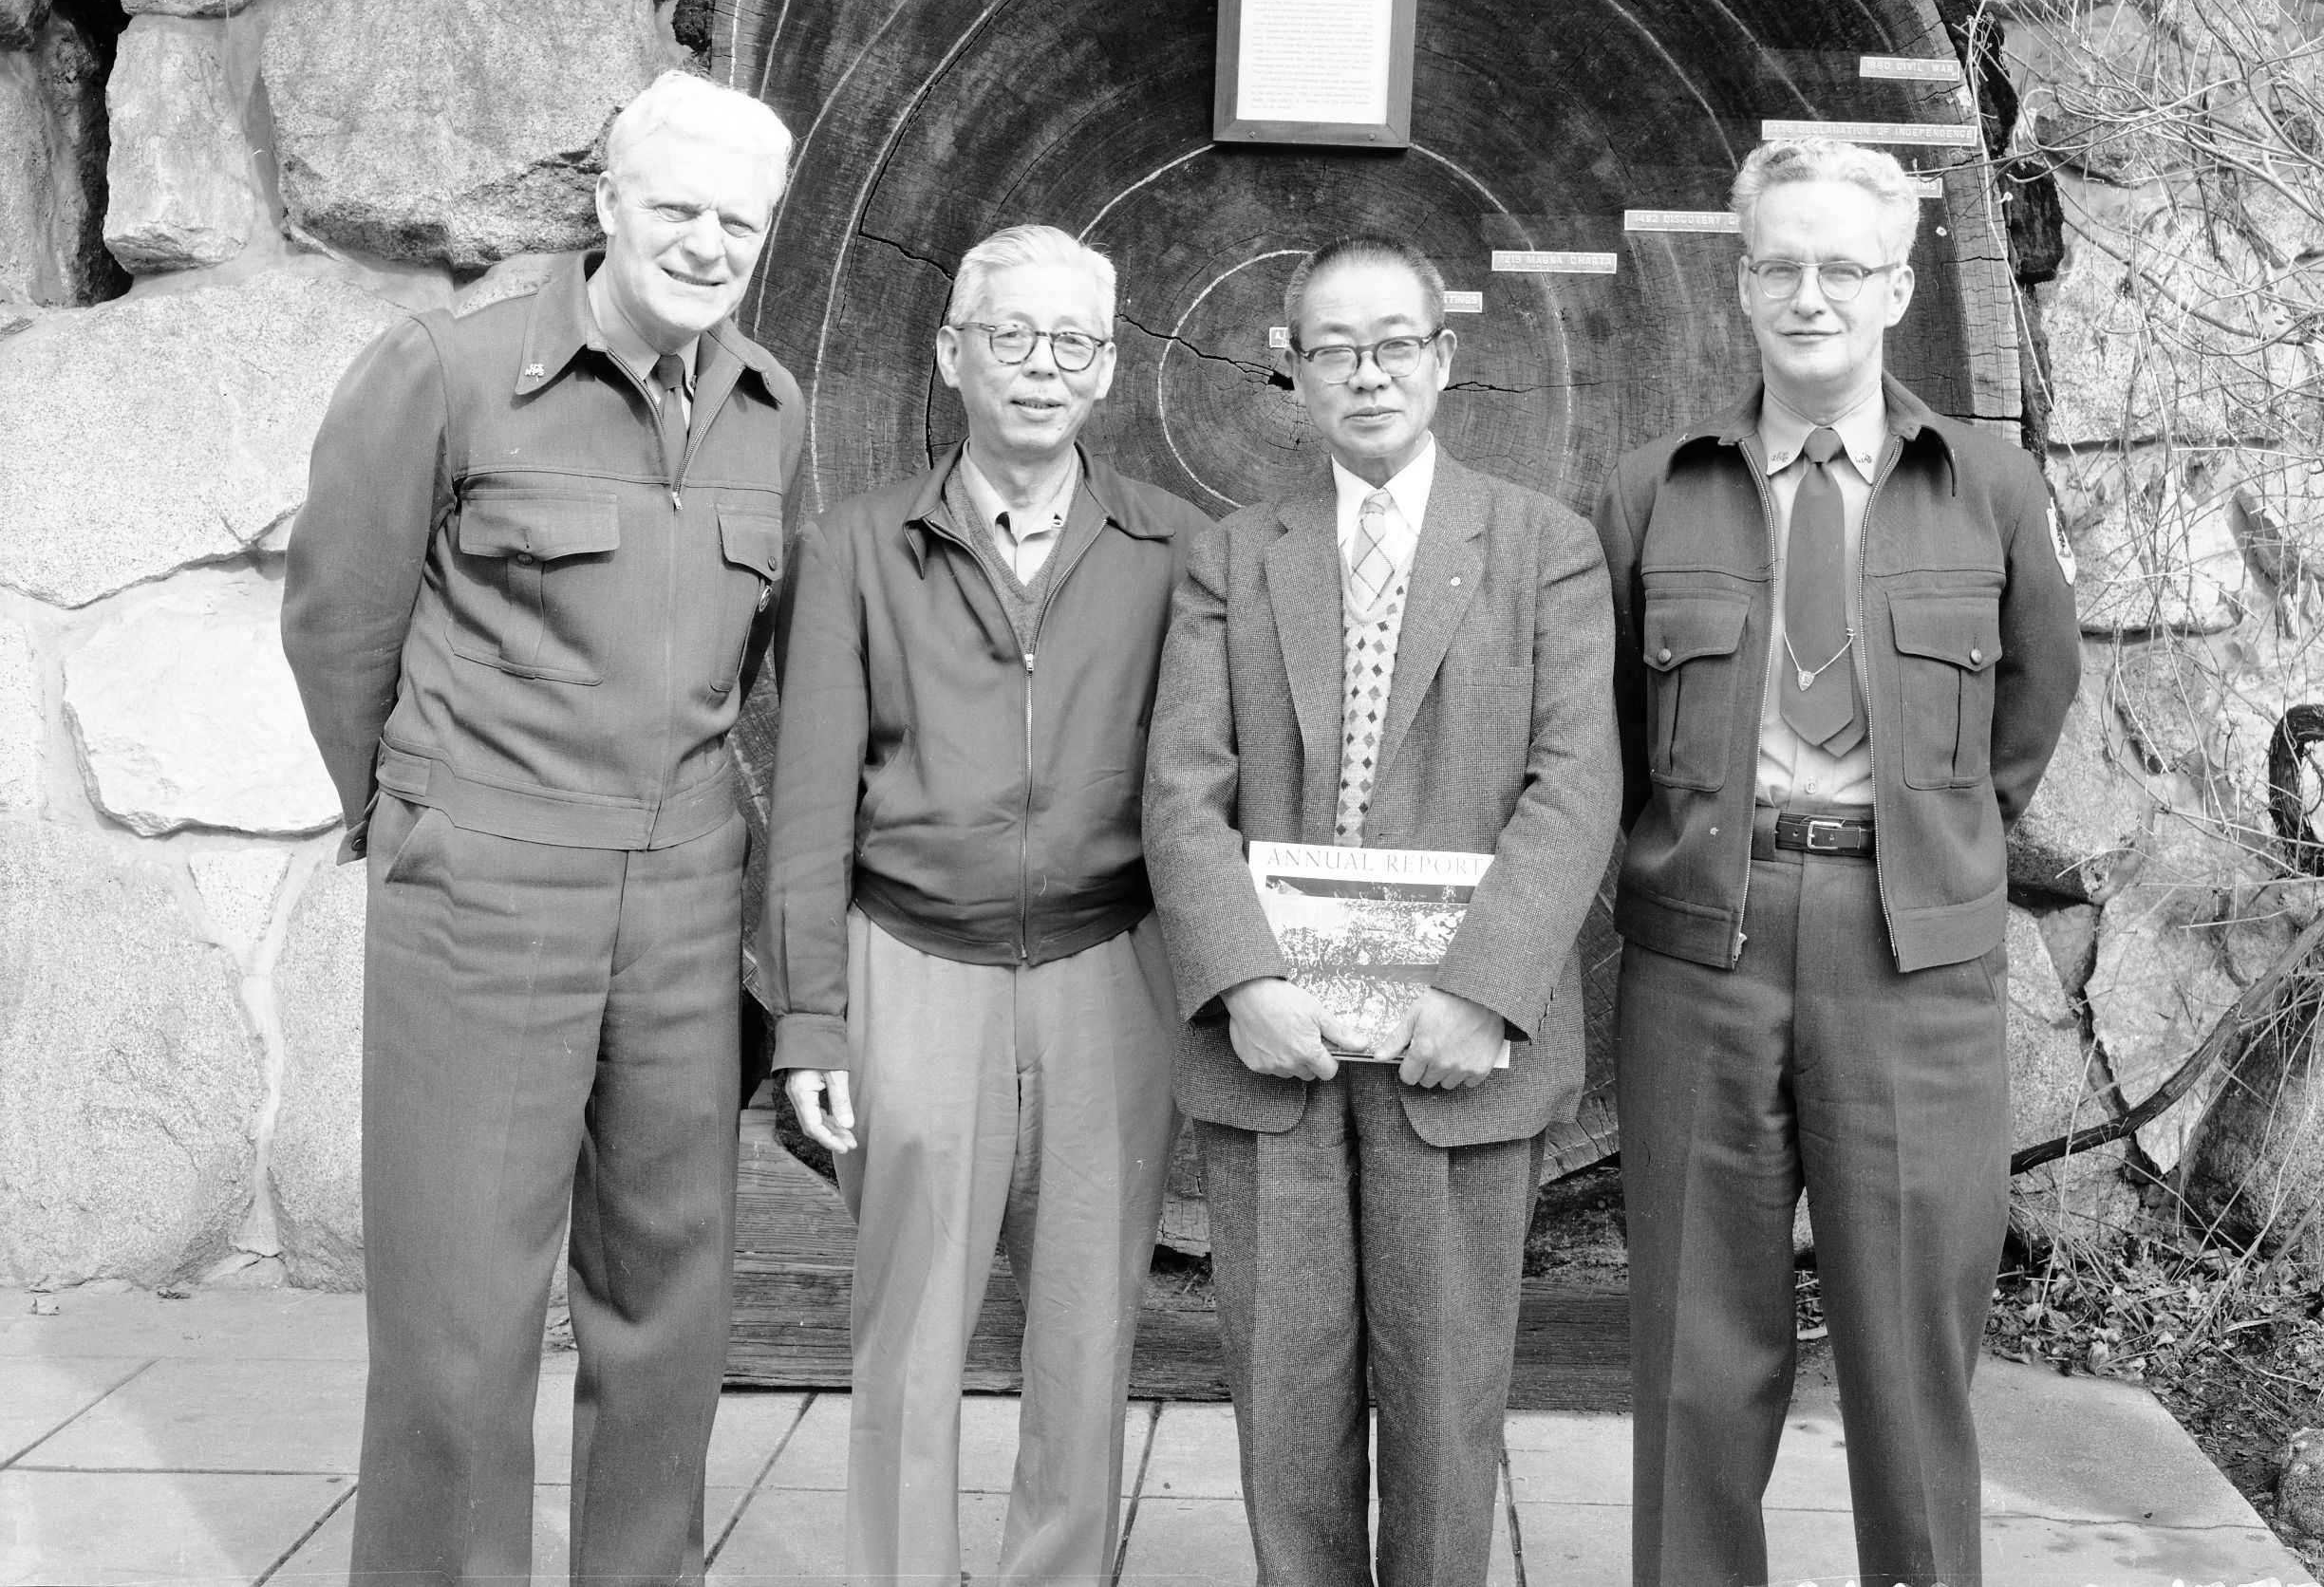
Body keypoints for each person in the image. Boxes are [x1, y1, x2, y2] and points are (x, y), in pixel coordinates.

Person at [280, 69, 807, 1587]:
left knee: (671, 1305)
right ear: (605, 206)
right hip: (486, 885)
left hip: (688, 898)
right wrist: (426, 818)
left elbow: (752, 666)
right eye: (679, 209)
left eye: (740, 222)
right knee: (458, 1318)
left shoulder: (771, 409)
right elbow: (339, 627)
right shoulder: (444, 372)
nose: (707, 245)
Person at [1592, 138, 2084, 1587]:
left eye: (1842, 268)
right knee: (1694, 1354)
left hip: (1906, 958)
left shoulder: (1985, 486)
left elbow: (2030, 703)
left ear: (1897, 286)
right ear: (1741, 284)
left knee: (1908, 1353)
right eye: (1781, 266)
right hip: (1704, 953)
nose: (1810, 295)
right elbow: (1612, 726)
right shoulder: (1648, 494)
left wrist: (1928, 847)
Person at [1143, 233, 1620, 1587]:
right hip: (1275, 1045)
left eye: (1393, 343)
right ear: (1291, 369)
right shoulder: (1233, 557)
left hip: (1453, 1044)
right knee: (1284, 1397)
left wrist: (1482, 988)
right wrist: (1242, 981)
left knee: (1445, 1397)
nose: (1366, 373)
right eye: (1334, 348)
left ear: (1442, 359)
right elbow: (1180, 786)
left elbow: (1574, 785)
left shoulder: (1542, 549)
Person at [758, 224, 1208, 1587]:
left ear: (1109, 368)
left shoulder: (1179, 547)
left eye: (1070, 340)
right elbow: (810, 797)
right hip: (912, 964)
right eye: (1008, 334)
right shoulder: (852, 547)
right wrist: (810, 1017)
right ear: (953, 354)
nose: (1039, 365)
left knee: (1085, 1326)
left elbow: (1203, 786)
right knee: (907, 1324)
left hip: (1106, 967)